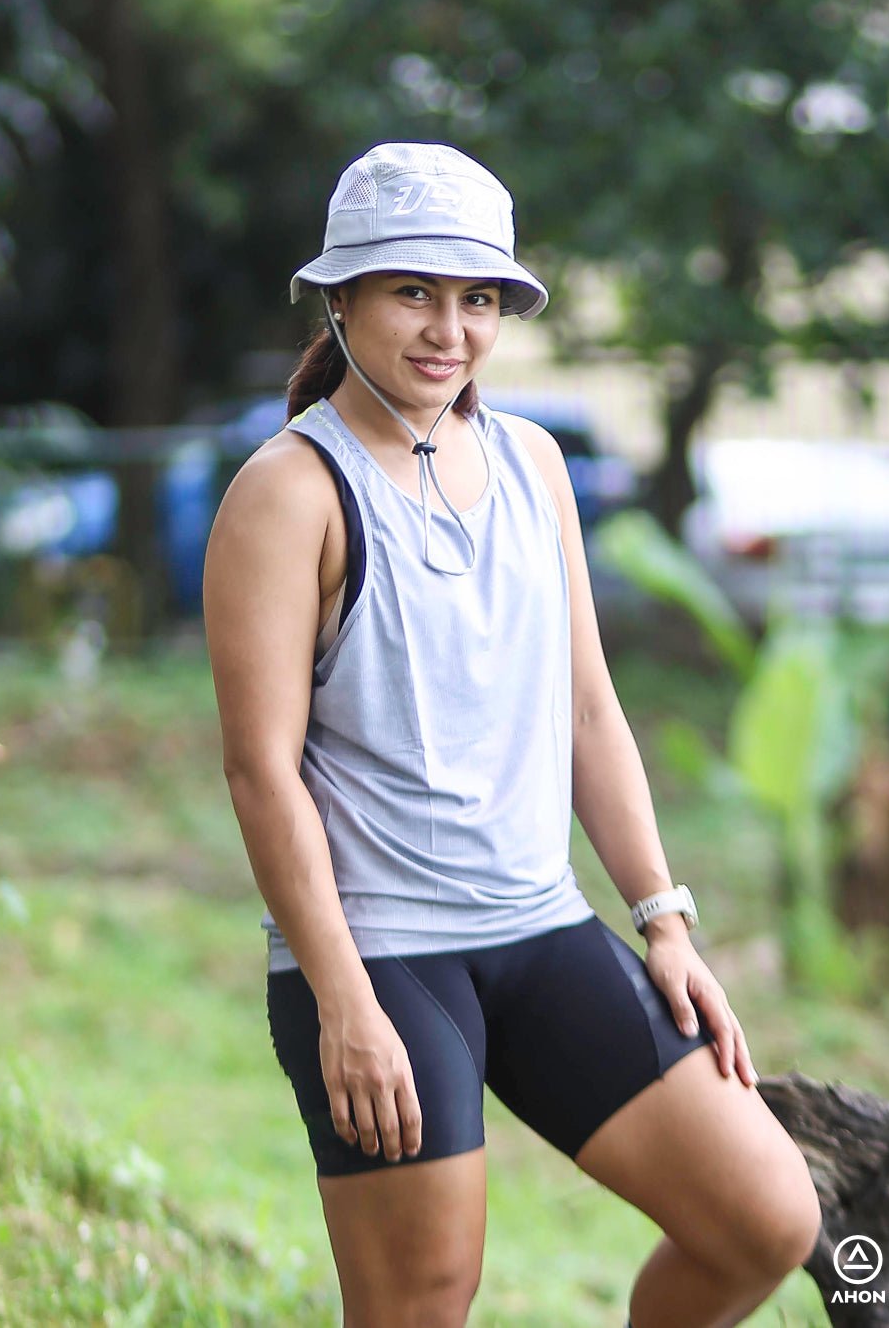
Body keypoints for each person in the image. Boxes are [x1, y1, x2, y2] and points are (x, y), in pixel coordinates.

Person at [203, 141, 821, 1328]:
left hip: (541, 926)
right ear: (343, 296)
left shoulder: (535, 462)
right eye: (414, 291)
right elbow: (260, 769)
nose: (449, 328)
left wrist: (664, 919)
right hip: (383, 954)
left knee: (764, 1219)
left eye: (478, 298)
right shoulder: (291, 492)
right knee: (424, 1301)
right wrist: (343, 1000)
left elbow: (587, 702)